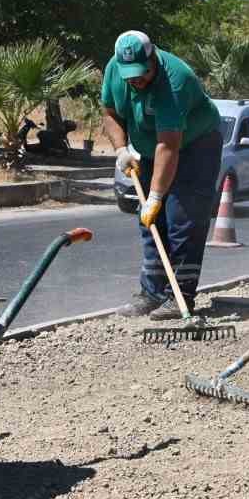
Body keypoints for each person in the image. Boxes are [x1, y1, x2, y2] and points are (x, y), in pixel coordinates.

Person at [96, 30, 224, 318]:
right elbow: (110, 113)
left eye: (141, 73)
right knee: (150, 221)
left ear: (153, 58)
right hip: (152, 147)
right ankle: (152, 293)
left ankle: (180, 298)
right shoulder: (114, 69)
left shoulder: (175, 79)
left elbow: (169, 144)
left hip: (195, 145)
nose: (135, 80)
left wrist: (155, 196)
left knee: (183, 219)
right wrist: (120, 150)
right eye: (129, 74)